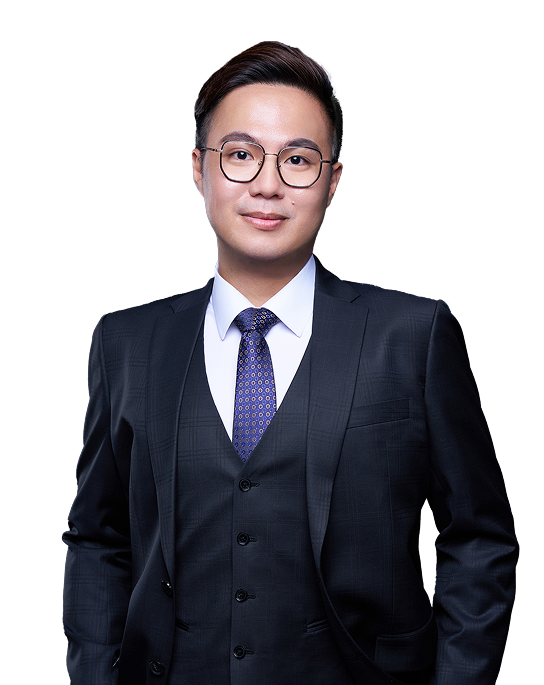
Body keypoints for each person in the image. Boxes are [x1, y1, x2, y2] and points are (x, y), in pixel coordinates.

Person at [62, 41, 518, 685]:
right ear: (199, 169)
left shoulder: (413, 334)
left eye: (298, 159)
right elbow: (97, 538)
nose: (268, 184)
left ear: (332, 181)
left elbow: (477, 537)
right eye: (240, 154)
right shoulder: (125, 342)